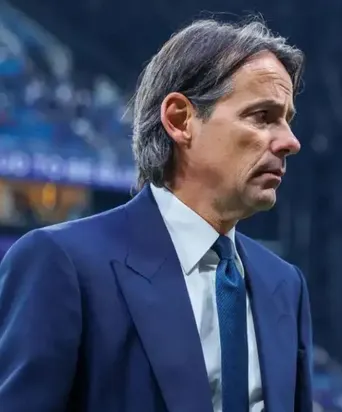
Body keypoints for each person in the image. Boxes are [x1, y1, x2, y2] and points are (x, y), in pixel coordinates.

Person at [0, 18, 313, 412]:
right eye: (262, 116)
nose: (290, 142)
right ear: (180, 120)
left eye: (287, 120)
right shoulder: (61, 263)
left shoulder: (284, 285)